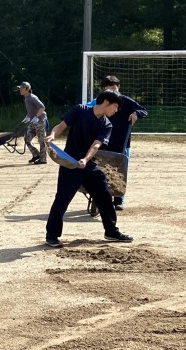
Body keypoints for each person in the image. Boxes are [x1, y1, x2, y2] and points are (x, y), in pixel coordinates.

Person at [44, 90, 133, 248]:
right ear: (106, 102)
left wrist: (85, 159)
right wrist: (52, 135)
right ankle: (52, 236)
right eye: (116, 106)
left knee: (105, 196)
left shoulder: (107, 124)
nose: (116, 110)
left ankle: (111, 232)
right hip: (70, 164)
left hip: (89, 165)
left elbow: (96, 145)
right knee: (62, 199)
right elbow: (61, 126)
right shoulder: (80, 110)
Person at [96, 75, 147, 210]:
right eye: (108, 89)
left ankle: (118, 200)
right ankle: (100, 198)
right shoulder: (100, 102)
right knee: (100, 170)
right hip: (103, 141)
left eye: (114, 88)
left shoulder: (127, 101)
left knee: (120, 170)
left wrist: (136, 114)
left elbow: (143, 110)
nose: (112, 92)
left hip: (122, 142)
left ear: (119, 87)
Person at [18, 81, 48, 165]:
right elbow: (32, 110)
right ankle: (36, 154)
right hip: (33, 121)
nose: (20, 90)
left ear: (27, 89)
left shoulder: (32, 98)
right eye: (20, 88)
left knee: (41, 140)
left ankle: (43, 159)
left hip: (40, 121)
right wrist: (28, 116)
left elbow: (42, 107)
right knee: (27, 139)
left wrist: (36, 117)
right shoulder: (26, 98)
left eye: (22, 88)